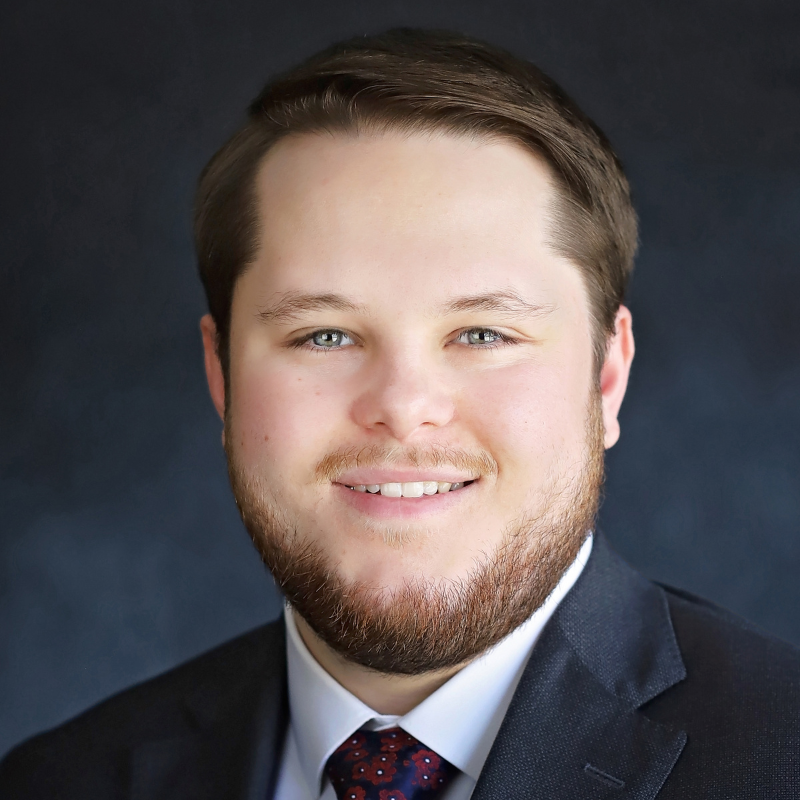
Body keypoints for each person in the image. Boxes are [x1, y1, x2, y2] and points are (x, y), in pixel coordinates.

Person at [1, 27, 798, 800]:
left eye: (483, 332)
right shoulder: (60, 781)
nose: (403, 408)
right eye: (324, 334)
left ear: (607, 376)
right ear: (221, 375)